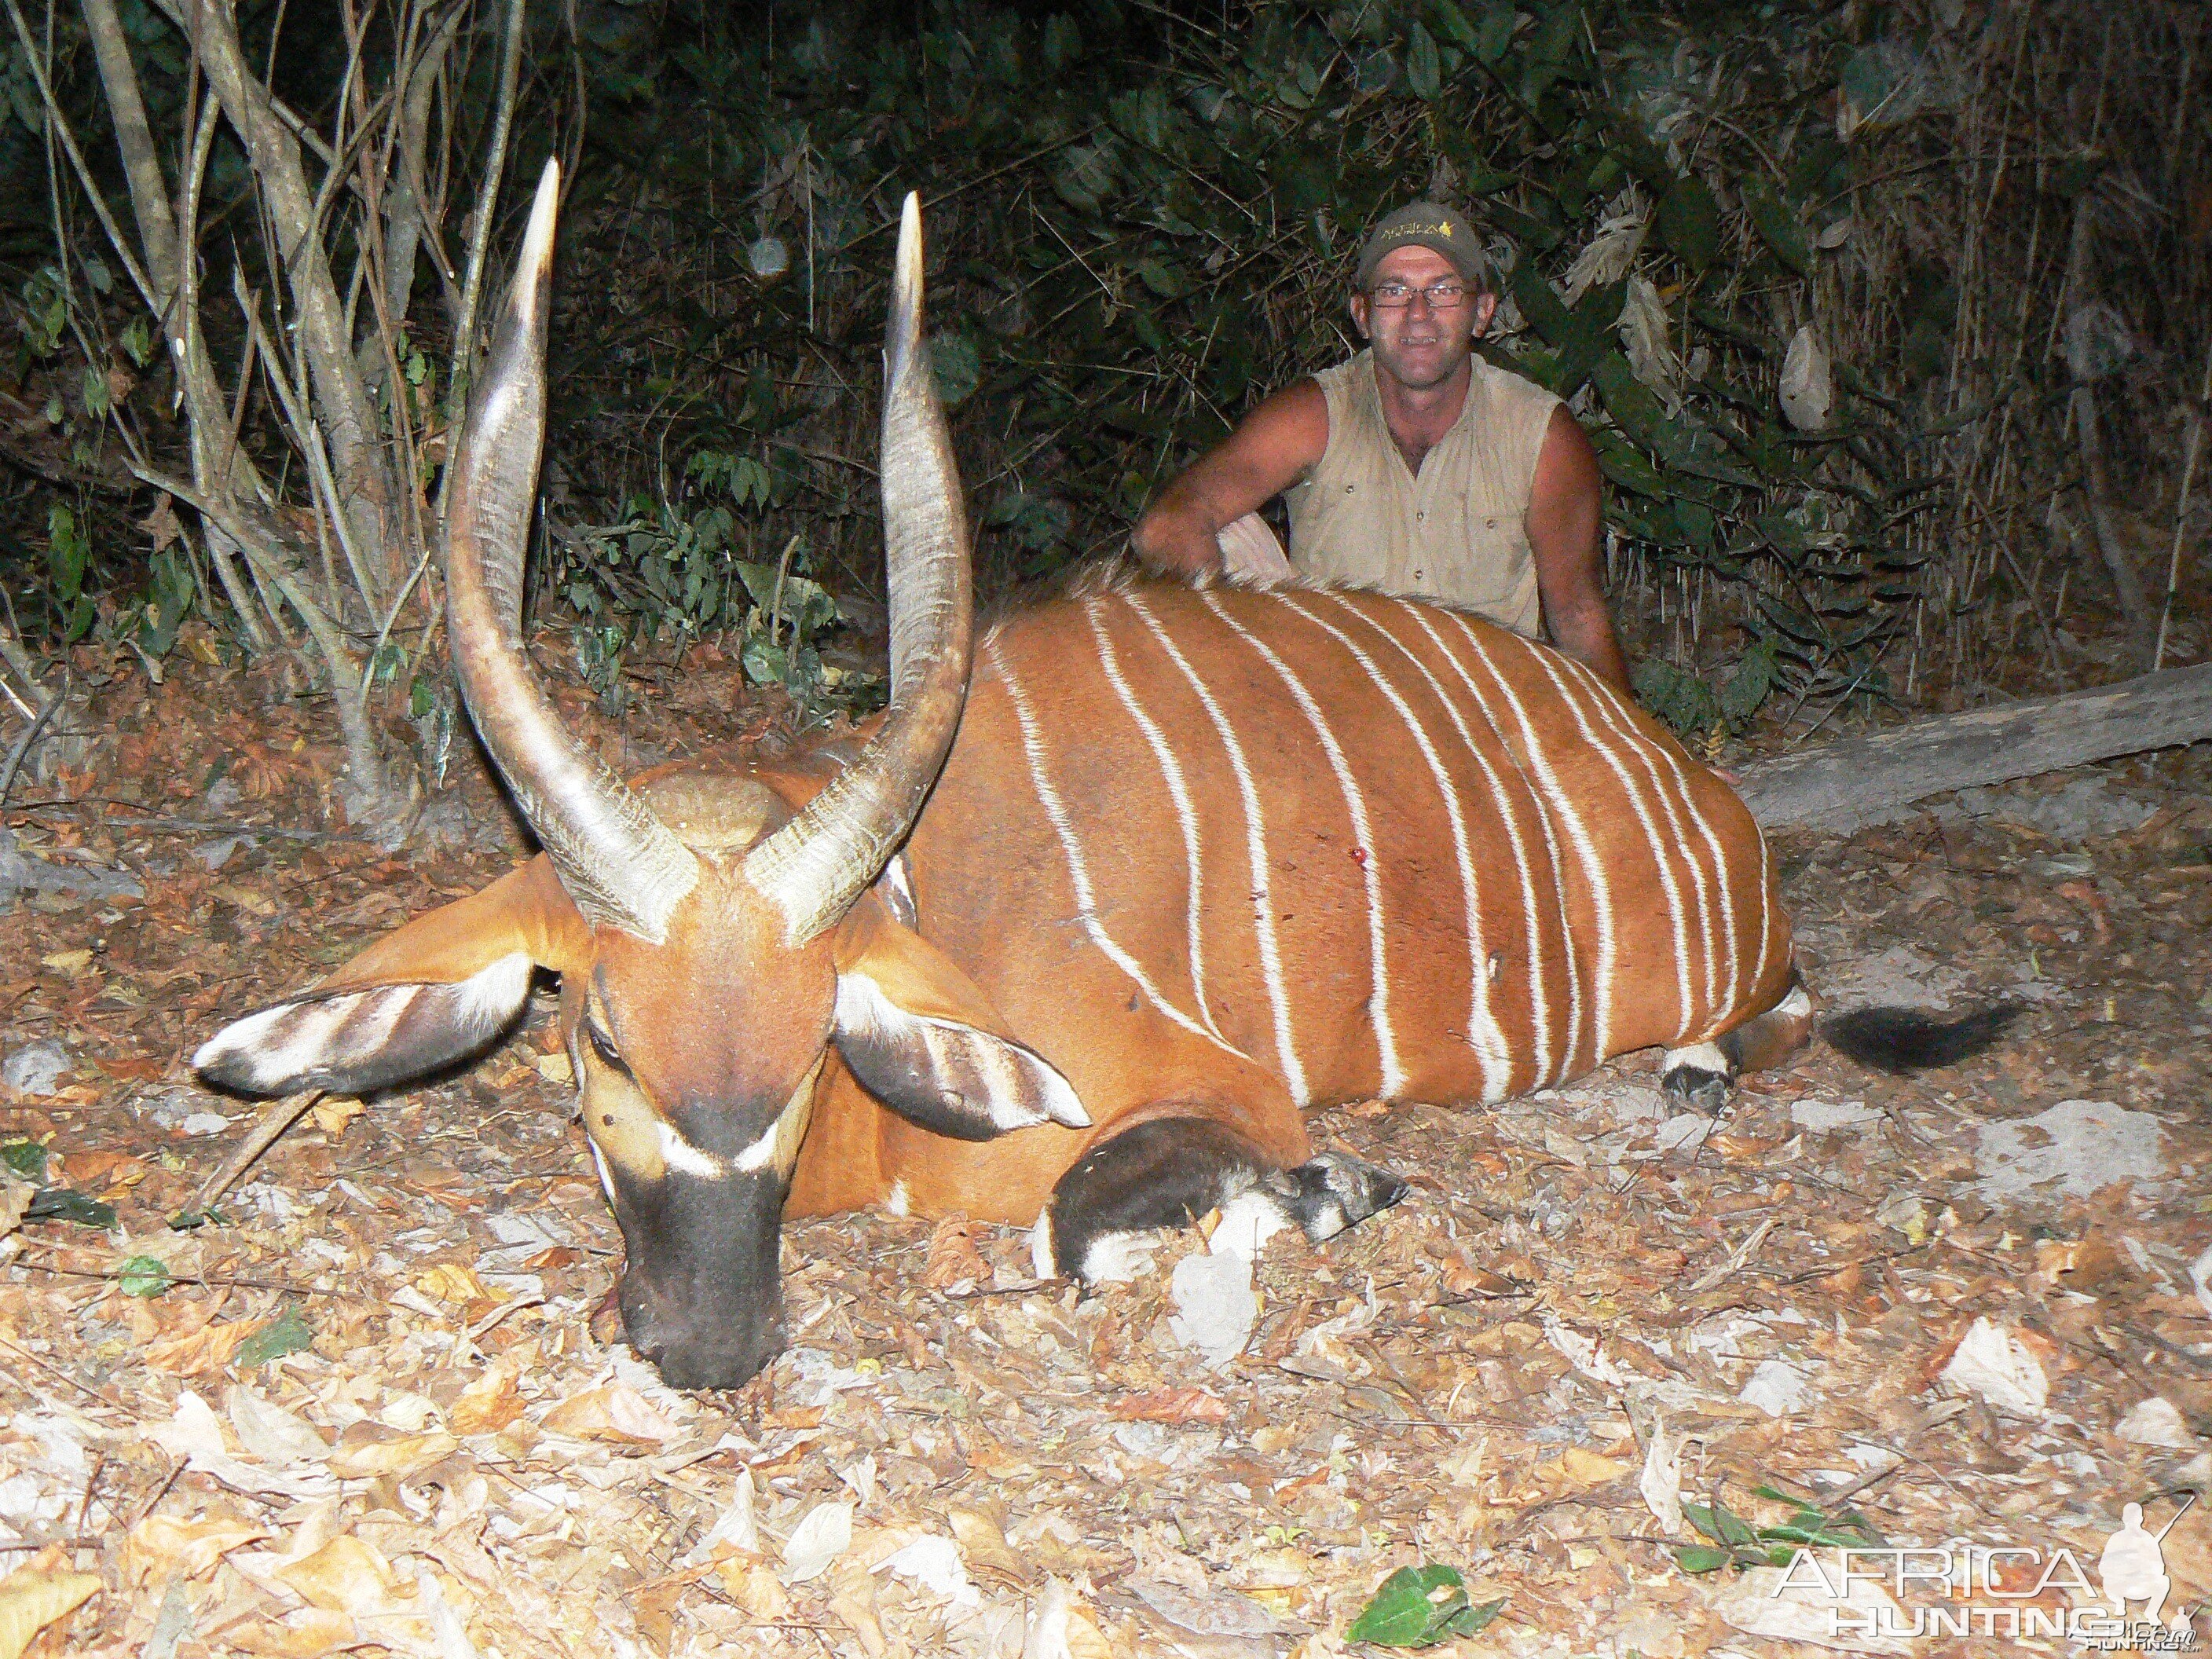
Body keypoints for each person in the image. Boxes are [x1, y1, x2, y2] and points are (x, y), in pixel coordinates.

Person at [1133, 201, 1632, 694]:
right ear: (1363, 314)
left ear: (1482, 313)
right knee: (1235, 537)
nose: (1418, 315)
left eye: (1443, 290)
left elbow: (1577, 613)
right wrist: (1240, 670)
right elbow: (1167, 526)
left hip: (1482, 724)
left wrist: (1635, 751)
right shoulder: (1312, 415)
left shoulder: (1541, 434)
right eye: (1394, 291)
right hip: (1341, 714)